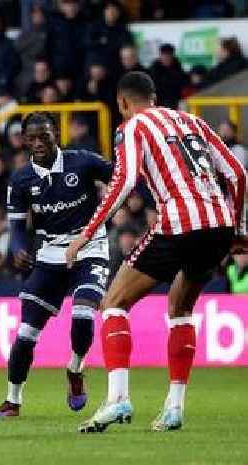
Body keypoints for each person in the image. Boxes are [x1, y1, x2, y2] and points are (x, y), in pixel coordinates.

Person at [66, 71, 248, 433]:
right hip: (218, 223)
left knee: (114, 303)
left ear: (122, 103)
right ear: (154, 96)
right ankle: (174, 407)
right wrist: (239, 230)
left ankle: (118, 399)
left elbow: (123, 182)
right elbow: (238, 173)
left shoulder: (134, 127)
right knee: (180, 308)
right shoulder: (191, 119)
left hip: (179, 222)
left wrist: (85, 235)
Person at [0, 112, 112, 418]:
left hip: (89, 247)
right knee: (27, 332)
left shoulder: (82, 162)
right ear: (23, 141)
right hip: (50, 255)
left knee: (83, 313)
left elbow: (122, 178)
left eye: (44, 135)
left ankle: (75, 369)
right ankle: (12, 400)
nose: (38, 143)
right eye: (31, 138)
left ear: (56, 133)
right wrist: (17, 249)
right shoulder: (21, 179)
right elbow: (16, 227)